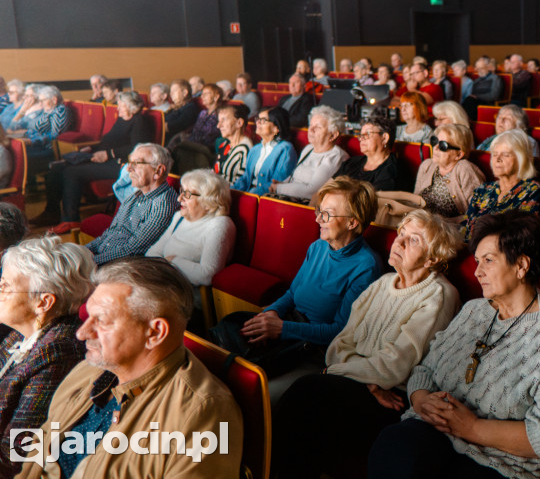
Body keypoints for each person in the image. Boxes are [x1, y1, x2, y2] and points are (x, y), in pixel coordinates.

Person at [367, 211, 540, 479]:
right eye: (477, 261)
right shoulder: (475, 311)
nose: (477, 271)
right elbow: (425, 369)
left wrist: (472, 428)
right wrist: (422, 400)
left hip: (500, 459)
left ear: (521, 266)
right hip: (437, 432)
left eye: (489, 261)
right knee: (394, 446)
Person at [273, 210, 462, 478]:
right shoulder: (383, 282)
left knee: (306, 394)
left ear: (433, 258)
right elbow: (340, 344)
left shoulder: (439, 295)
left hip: (392, 398)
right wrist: (366, 381)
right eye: (401, 234)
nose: (400, 242)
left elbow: (396, 366)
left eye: (414, 240)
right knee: (304, 402)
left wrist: (339, 373)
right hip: (365, 384)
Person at [15, 258, 242, 478]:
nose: (82, 333)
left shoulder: (202, 413)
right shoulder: (89, 369)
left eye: (101, 321)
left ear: (154, 333)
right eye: (88, 317)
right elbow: (41, 443)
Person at [211, 177, 383, 376]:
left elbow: (338, 332)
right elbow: (293, 293)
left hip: (313, 346)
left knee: (241, 370)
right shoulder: (317, 247)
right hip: (288, 324)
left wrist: (281, 328)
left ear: (352, 222)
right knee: (227, 332)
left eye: (326, 214)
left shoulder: (366, 266)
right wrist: (272, 313)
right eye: (319, 211)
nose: (318, 219)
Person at [0, 237, 93, 478]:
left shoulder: (58, 353)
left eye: (6, 286)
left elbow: (14, 453)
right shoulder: (21, 334)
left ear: (43, 302)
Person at [33, 91, 154, 232]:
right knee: (56, 169)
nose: (117, 108)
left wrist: (108, 154)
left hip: (121, 165)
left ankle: (70, 220)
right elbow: (108, 141)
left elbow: (137, 148)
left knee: (71, 172)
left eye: (121, 105)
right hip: (106, 158)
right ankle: (51, 213)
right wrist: (92, 148)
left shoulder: (139, 121)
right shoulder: (122, 119)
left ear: (130, 106)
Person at [86, 143, 179, 265]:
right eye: (130, 163)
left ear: (158, 171)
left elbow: (132, 251)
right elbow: (109, 234)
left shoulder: (163, 205)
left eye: (136, 163)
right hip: (103, 258)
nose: (129, 169)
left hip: (122, 267)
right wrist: (82, 252)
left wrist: (89, 263)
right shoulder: (135, 196)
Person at [378, 124, 484, 224]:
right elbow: (415, 200)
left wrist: (441, 223)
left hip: (449, 229)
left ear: (459, 154)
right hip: (420, 224)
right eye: (435, 141)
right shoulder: (427, 165)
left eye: (443, 145)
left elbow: (478, 214)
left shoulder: (465, 169)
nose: (436, 147)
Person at [146, 168, 235, 287]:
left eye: (187, 194)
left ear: (208, 201)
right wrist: (166, 265)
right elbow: (152, 252)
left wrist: (173, 260)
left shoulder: (220, 225)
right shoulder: (180, 217)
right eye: (181, 191)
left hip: (185, 292)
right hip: (162, 281)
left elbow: (208, 276)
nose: (179, 198)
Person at [464, 129, 540, 240]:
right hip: (474, 247)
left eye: (506, 155)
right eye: (495, 154)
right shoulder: (482, 189)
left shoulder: (532, 190)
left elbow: (522, 232)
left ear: (521, 159)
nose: (497, 159)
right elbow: (469, 228)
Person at [270, 105, 348, 201]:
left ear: (333, 135)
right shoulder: (309, 148)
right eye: (310, 125)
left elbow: (312, 192)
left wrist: (279, 188)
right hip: (289, 197)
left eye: (318, 127)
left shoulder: (336, 156)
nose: (311, 130)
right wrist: (281, 183)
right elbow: (294, 176)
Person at [231, 106, 298, 196]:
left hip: (265, 197)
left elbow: (276, 183)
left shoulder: (285, 149)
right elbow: (246, 178)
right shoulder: (255, 149)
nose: (257, 122)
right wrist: (230, 190)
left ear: (276, 128)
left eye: (263, 120)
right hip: (249, 194)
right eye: (258, 119)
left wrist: (249, 196)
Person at [335, 117, 410, 192]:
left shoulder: (392, 170)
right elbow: (328, 186)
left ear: (384, 138)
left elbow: (371, 200)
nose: (361, 139)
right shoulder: (351, 162)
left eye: (367, 134)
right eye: (361, 135)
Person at [172, 83, 226, 173]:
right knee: (179, 147)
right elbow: (195, 132)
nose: (202, 96)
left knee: (180, 147)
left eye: (206, 94)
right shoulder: (202, 113)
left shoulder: (220, 114)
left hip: (207, 149)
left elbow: (211, 136)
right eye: (202, 94)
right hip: (193, 145)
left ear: (216, 97)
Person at [20, 85, 67, 168]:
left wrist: (32, 141)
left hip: (47, 148)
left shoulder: (59, 111)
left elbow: (55, 135)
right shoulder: (48, 110)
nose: (40, 104)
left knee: (19, 156)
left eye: (42, 100)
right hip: (37, 145)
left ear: (54, 100)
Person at [476, 104, 540, 156]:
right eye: (499, 117)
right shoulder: (491, 139)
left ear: (519, 126)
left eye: (507, 119)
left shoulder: (528, 142)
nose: (501, 121)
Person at [213, 103, 253, 184]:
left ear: (239, 123)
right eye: (219, 121)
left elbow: (240, 185)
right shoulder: (225, 145)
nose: (218, 126)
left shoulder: (245, 149)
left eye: (223, 120)